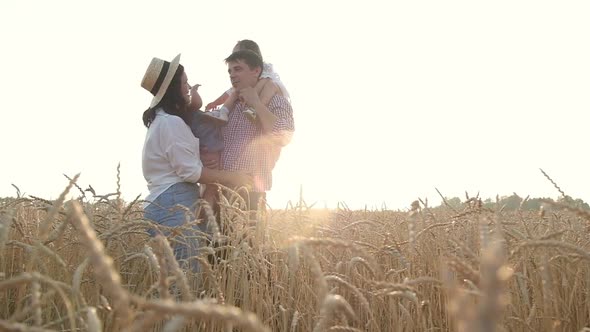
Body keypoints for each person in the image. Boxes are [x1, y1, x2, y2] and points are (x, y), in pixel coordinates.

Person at [140, 54, 252, 270]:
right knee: (186, 281)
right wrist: (234, 177)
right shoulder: (171, 123)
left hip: (165, 204)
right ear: (174, 89)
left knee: (174, 282)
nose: (188, 86)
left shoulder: (162, 121)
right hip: (172, 205)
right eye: (184, 83)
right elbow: (191, 173)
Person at [220, 49, 294, 213]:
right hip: (221, 193)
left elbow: (284, 136)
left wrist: (257, 104)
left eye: (238, 69)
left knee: (249, 239)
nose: (232, 75)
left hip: (252, 194)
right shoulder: (231, 106)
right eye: (230, 71)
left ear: (256, 71)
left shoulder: (276, 101)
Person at [203, 39, 290, 123]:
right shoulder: (239, 88)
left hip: (268, 85)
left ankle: (254, 110)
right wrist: (215, 102)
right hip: (251, 92)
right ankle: (223, 112)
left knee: (268, 85)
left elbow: (265, 81)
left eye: (237, 53)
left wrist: (252, 97)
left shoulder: (265, 70)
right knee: (234, 92)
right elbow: (229, 92)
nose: (234, 56)